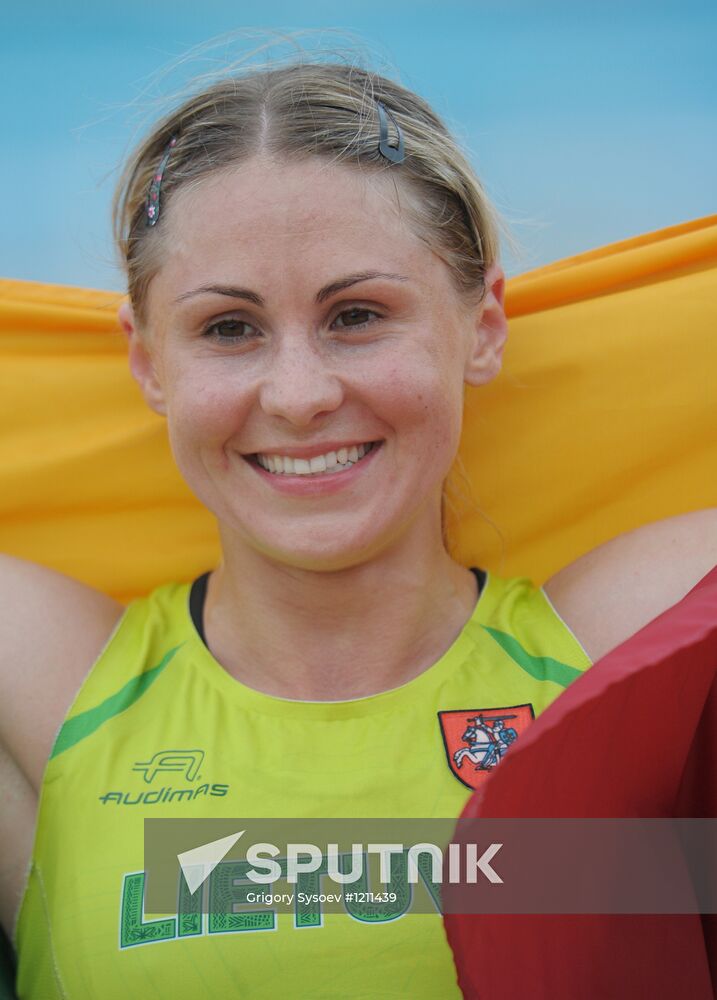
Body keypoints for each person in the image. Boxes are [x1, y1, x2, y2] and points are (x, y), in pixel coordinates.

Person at [1, 58, 715, 1000]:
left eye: (359, 315)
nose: (299, 396)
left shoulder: (621, 644)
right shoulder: (49, 683)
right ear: (146, 361)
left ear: (484, 325)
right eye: (227, 328)